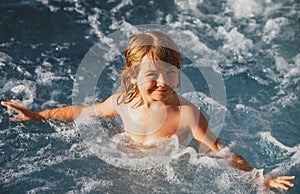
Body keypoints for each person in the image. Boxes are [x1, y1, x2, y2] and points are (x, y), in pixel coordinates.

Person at [1, 31, 295, 191]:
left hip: (170, 171)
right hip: (125, 163)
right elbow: (86, 110)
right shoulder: (123, 102)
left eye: (170, 73)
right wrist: (39, 115)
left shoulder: (186, 114)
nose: (162, 82)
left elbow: (218, 150)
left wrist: (258, 177)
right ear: (132, 75)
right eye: (152, 74)